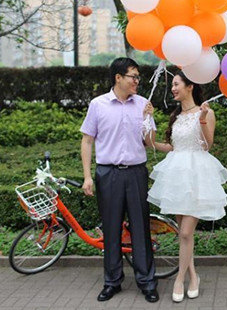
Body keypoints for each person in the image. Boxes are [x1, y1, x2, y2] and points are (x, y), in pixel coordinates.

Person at [144, 70, 227, 302]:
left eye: (176, 84)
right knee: (185, 236)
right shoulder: (176, 116)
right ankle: (194, 276)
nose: (173, 88)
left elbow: (207, 145)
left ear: (190, 86)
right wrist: (148, 120)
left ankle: (179, 279)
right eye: (172, 85)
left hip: (197, 176)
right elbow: (157, 144)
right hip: (176, 176)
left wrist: (202, 119)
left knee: (185, 232)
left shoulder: (206, 112)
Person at [80, 57, 159, 303]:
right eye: (133, 76)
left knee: (140, 229)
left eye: (137, 77)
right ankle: (112, 282)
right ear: (118, 78)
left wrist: (149, 118)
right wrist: (87, 176)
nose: (137, 81)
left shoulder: (143, 104)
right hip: (108, 173)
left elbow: (150, 142)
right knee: (112, 229)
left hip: (136, 173)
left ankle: (147, 282)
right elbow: (87, 140)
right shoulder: (98, 104)